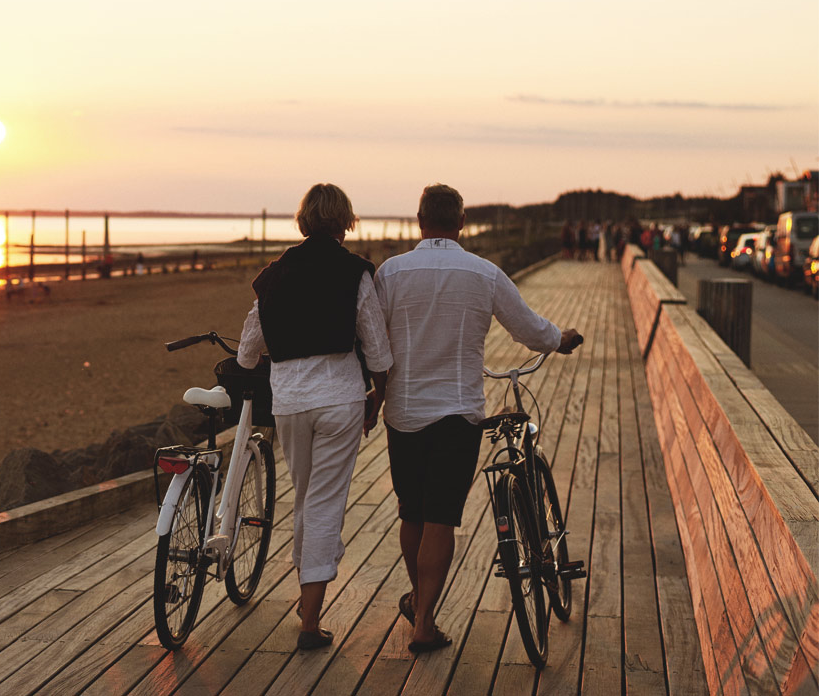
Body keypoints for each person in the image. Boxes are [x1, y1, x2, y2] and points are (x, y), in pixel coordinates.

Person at [376, 184, 581, 654]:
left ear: (420, 221)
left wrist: (374, 390)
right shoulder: (483, 273)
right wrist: (561, 339)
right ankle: (423, 621)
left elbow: (372, 336)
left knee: (412, 513)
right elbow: (529, 329)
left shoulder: (391, 272)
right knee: (441, 518)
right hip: (457, 413)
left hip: (403, 411)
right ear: (462, 223)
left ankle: (421, 605)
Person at [237, 183, 393, 651]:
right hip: (340, 400)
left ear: (304, 220)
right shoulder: (354, 271)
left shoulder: (274, 274)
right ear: (345, 221)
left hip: (289, 403)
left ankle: (307, 600)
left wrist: (258, 361)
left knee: (306, 497)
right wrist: (379, 395)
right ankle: (310, 620)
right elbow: (377, 349)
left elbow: (247, 349)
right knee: (323, 503)